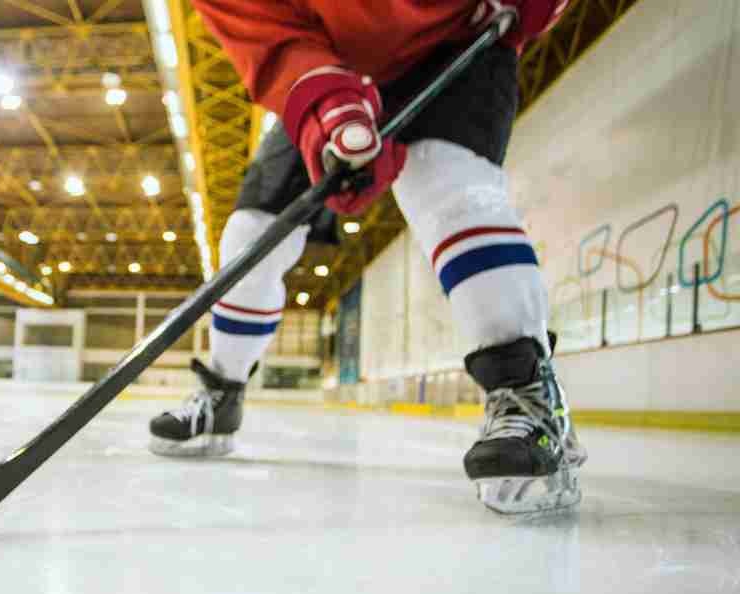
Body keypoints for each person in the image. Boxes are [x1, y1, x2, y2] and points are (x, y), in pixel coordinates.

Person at [148, 0, 586, 513]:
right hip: (332, 65)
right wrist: (329, 110)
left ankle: (527, 392)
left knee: (448, 181)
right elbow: (275, 40)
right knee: (252, 233)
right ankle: (222, 393)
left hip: (459, 38)